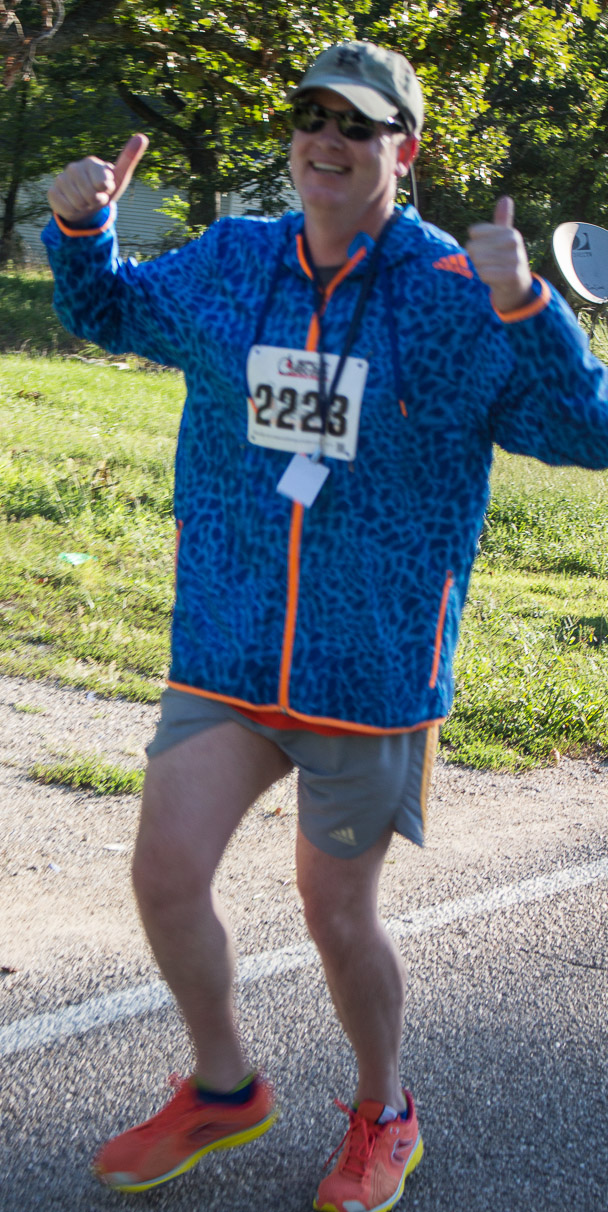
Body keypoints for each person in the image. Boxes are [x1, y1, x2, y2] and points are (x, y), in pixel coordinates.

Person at [43, 39, 608, 1212]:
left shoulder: (453, 293)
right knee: (164, 874)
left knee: (336, 915)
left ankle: (382, 1109)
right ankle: (222, 1087)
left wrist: (523, 304)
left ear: (405, 148)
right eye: (311, 116)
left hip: (370, 667)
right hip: (229, 645)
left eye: (358, 124)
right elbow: (106, 308)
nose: (327, 140)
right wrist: (80, 226)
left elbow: (586, 430)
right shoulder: (232, 260)